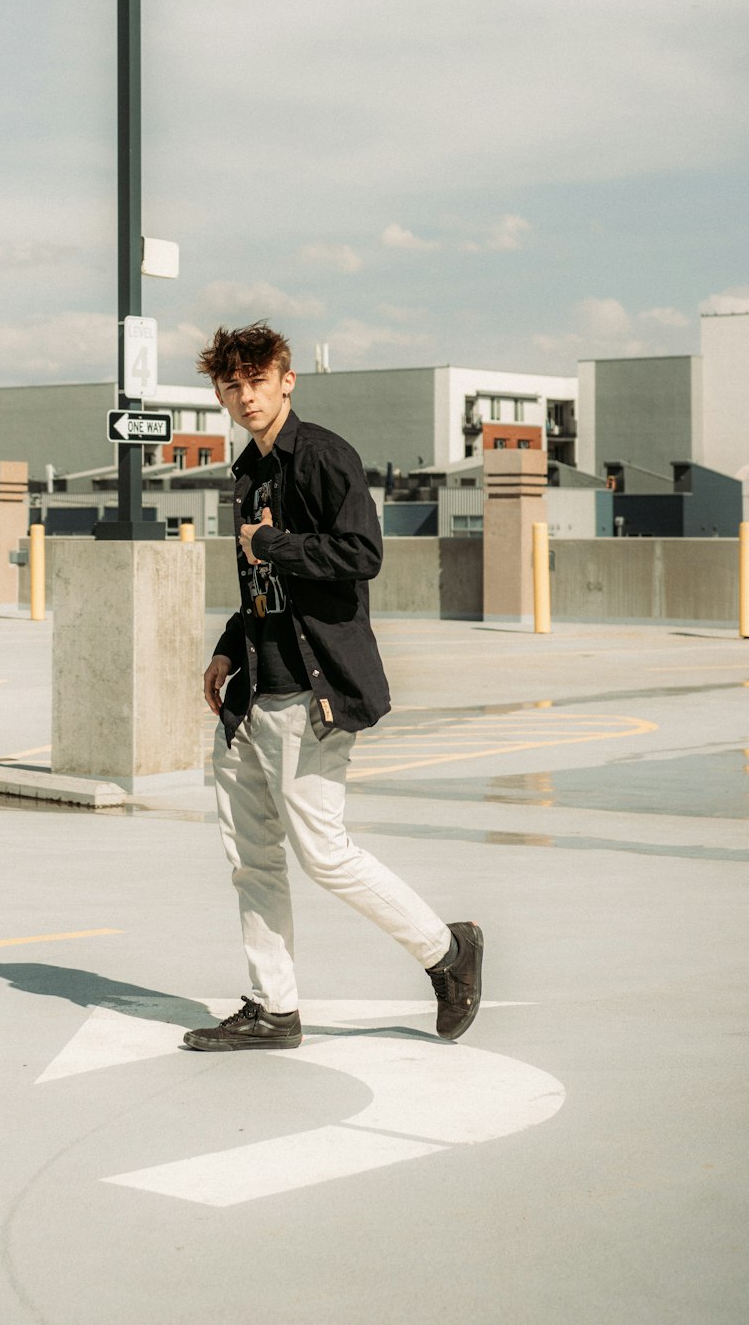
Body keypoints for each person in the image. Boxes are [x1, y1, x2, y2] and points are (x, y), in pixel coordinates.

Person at [184, 321, 483, 1052]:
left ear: (287, 379)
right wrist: (229, 645)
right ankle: (272, 1007)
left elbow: (361, 554)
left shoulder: (322, 455)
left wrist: (273, 542)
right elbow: (262, 580)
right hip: (255, 689)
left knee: (322, 852)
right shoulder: (247, 471)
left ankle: (447, 951)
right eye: (232, 385)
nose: (245, 395)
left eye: (257, 380)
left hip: (311, 690)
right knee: (250, 855)